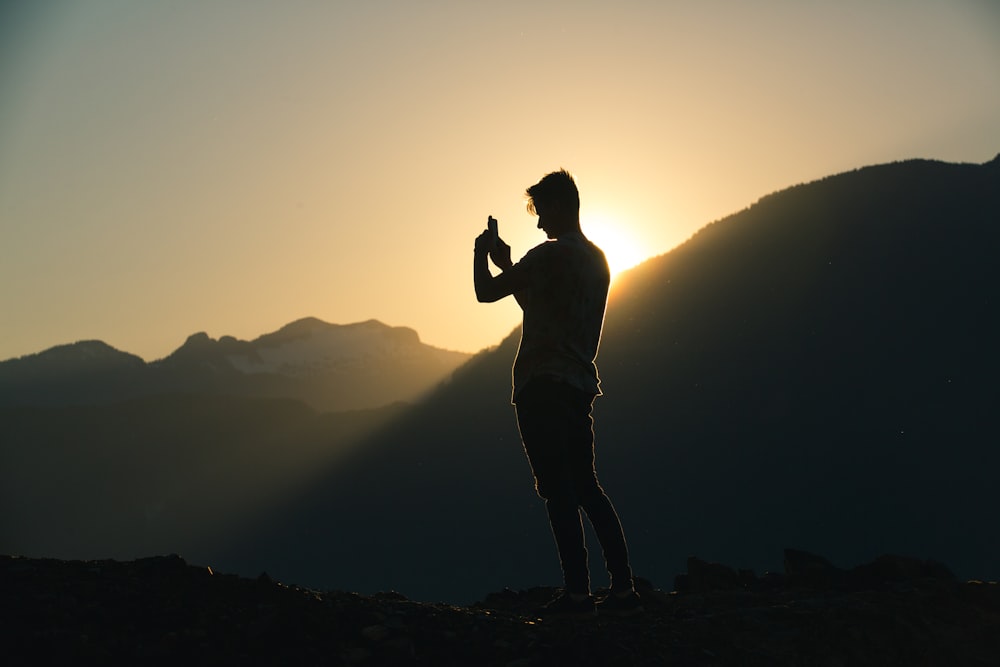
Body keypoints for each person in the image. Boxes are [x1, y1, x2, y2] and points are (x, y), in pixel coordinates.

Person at [474, 169, 642, 618]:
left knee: (557, 491)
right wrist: (512, 266)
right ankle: (623, 587)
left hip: (540, 385)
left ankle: (577, 595)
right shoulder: (599, 260)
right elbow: (539, 305)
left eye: (540, 210)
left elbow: (483, 293)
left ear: (561, 206)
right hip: (580, 385)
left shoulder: (547, 256)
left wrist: (480, 255)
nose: (538, 222)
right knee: (587, 486)